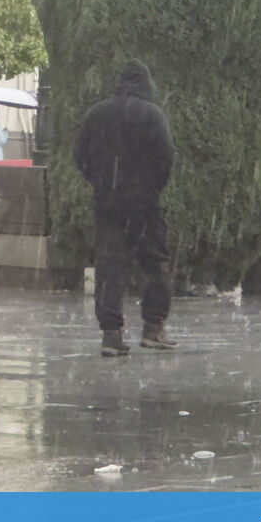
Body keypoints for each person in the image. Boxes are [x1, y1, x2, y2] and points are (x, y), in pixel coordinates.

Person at [75, 59, 177, 357]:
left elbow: (79, 155)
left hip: (108, 203)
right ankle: (153, 328)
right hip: (145, 203)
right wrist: (151, 187)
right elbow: (166, 157)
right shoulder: (153, 115)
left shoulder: (97, 114)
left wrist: (100, 181)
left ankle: (111, 334)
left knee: (110, 267)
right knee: (156, 263)